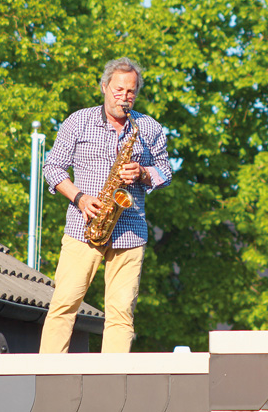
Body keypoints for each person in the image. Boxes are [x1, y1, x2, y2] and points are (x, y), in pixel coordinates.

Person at [40, 57, 172, 353]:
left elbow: (166, 172)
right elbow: (53, 168)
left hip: (129, 230)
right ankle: (48, 373)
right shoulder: (78, 121)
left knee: (121, 313)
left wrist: (142, 172)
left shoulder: (148, 127)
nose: (124, 97)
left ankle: (112, 381)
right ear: (104, 87)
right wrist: (80, 198)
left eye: (131, 92)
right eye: (118, 90)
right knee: (64, 304)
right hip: (83, 226)